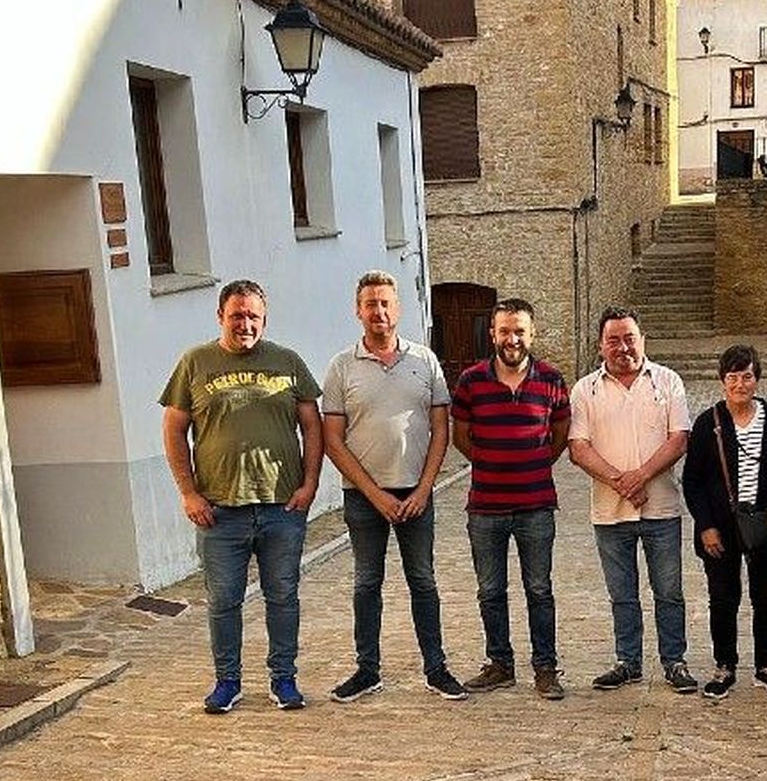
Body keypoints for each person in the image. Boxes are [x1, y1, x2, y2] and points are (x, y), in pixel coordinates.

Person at [160, 279, 322, 714]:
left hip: (281, 507)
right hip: (219, 511)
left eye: (253, 315)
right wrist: (188, 493)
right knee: (224, 600)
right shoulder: (195, 363)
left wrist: (310, 484)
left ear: (264, 319)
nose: (245, 323)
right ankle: (227, 682)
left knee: (283, 596)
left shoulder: (288, 362)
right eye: (237, 315)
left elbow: (312, 426)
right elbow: (174, 430)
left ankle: (283, 679)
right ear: (220, 316)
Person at [321, 271, 465, 703]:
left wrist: (424, 490)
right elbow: (333, 440)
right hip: (365, 498)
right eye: (370, 304)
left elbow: (442, 429)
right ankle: (367, 670)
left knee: (423, 581)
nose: (378, 311)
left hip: (416, 495)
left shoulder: (426, 361)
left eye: (385, 303)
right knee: (367, 584)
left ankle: (435, 668)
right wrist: (374, 494)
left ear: (397, 309)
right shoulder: (341, 366)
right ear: (358, 311)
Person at [568, 306, 698, 693]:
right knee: (622, 595)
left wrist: (640, 476)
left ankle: (674, 661)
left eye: (629, 338)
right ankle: (628, 661)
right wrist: (620, 482)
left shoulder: (667, 381)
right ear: (601, 346)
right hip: (609, 512)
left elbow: (679, 439)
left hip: (661, 508)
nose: (622, 347)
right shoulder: (585, 389)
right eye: (614, 340)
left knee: (669, 592)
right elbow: (578, 447)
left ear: (642, 340)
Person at [451, 298, 571, 700]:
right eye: (504, 331)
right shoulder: (471, 381)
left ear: (532, 333)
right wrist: (493, 464)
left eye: (519, 331)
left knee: (539, 589)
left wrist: (531, 463)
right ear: (493, 334)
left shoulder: (552, 379)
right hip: (485, 507)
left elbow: (558, 437)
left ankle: (545, 667)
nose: (512, 339)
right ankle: (500, 664)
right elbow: (461, 437)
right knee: (490, 591)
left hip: (536, 505)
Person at [682, 345, 767, 698]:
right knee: (723, 598)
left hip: (764, 521)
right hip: (721, 525)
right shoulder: (708, 422)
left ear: (757, 379)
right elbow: (693, 480)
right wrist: (706, 525)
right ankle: (724, 665)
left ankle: (766, 665)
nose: (740, 383)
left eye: (747, 376)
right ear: (722, 381)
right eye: (733, 377)